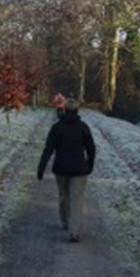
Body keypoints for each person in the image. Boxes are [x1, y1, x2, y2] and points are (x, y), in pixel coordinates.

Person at [37, 97, 96, 242]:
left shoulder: (57, 127)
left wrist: (41, 168)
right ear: (77, 111)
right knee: (76, 199)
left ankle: (65, 221)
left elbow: (48, 149)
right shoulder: (83, 127)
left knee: (64, 196)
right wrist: (90, 164)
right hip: (79, 169)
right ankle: (74, 231)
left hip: (61, 169)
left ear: (64, 110)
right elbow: (91, 148)